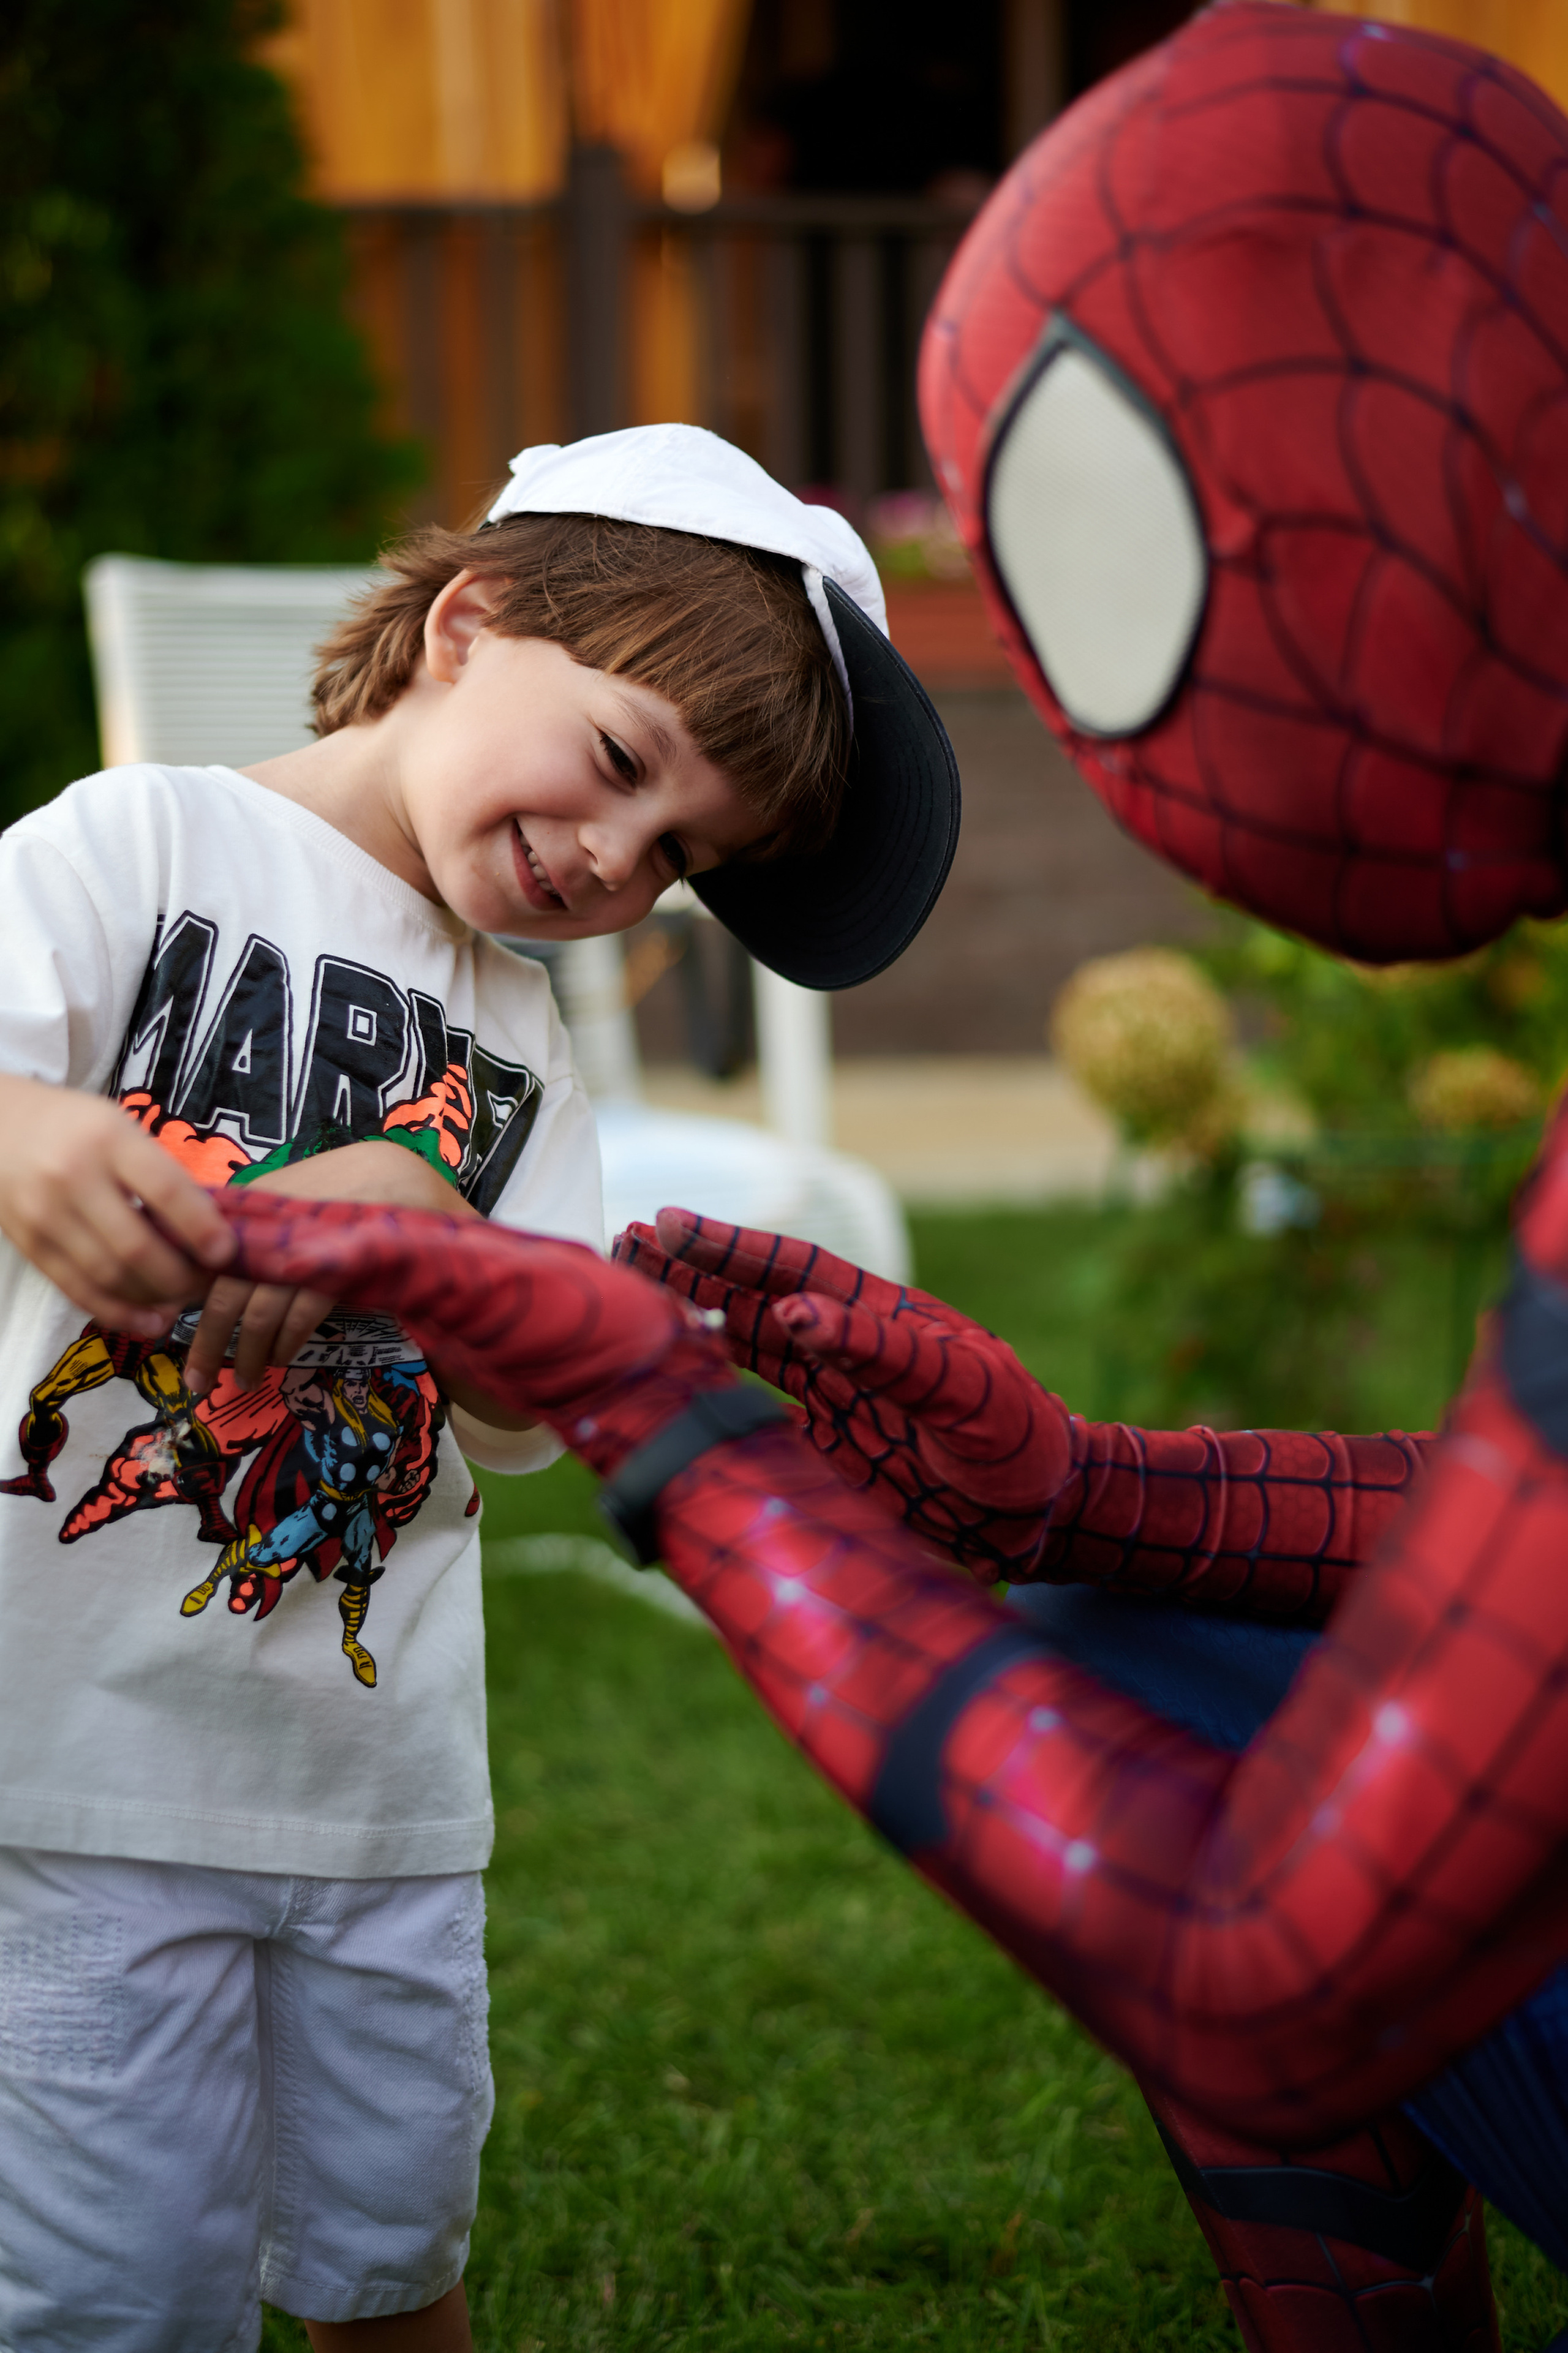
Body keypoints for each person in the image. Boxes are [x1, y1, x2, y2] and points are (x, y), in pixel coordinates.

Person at [209, 14, 1568, 2352]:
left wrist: (695, 1448)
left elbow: (1266, 1967)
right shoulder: (153, 864)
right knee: (1128, 1626)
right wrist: (1069, 1490)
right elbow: (1520, 1530)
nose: (1132, 751)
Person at [0, 422, 960, 2353]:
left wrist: (431, 1209)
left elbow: (537, 1413)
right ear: (467, 623)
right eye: (620, 759)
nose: (619, 855)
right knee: (118, 2293)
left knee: (392, 2260)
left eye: (681, 851)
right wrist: (29, 1130)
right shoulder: (140, 843)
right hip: (74, 1761)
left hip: (377, 1788)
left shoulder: (517, 1038)